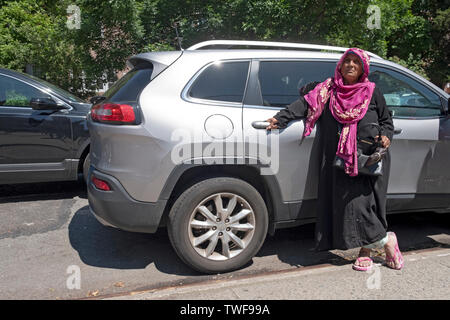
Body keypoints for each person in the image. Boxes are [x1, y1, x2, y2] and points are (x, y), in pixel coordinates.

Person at [266, 48, 404, 271]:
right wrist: (281, 118)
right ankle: (385, 241)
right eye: (346, 61)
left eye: (355, 62)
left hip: (367, 160)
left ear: (363, 69)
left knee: (365, 206)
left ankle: (369, 249)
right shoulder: (328, 90)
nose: (350, 65)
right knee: (349, 208)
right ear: (340, 65)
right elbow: (305, 104)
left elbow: (386, 120)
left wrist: (386, 136)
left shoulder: (372, 91)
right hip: (338, 160)